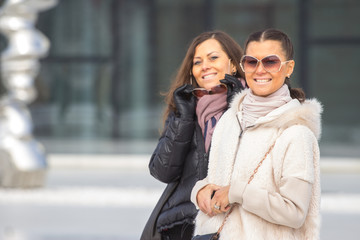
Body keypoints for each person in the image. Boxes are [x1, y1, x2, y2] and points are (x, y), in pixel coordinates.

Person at [191, 28, 322, 239]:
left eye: (270, 62)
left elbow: (295, 212)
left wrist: (238, 193)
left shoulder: (296, 133)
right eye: (252, 62)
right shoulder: (230, 119)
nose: (259, 70)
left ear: (289, 68)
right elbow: (217, 178)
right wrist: (199, 191)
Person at [143, 31, 245, 240]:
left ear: (233, 65)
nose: (204, 66)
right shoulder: (185, 109)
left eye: (213, 57)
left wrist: (236, 109)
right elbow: (161, 171)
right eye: (197, 62)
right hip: (181, 224)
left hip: (233, 223)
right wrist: (184, 118)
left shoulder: (252, 106)